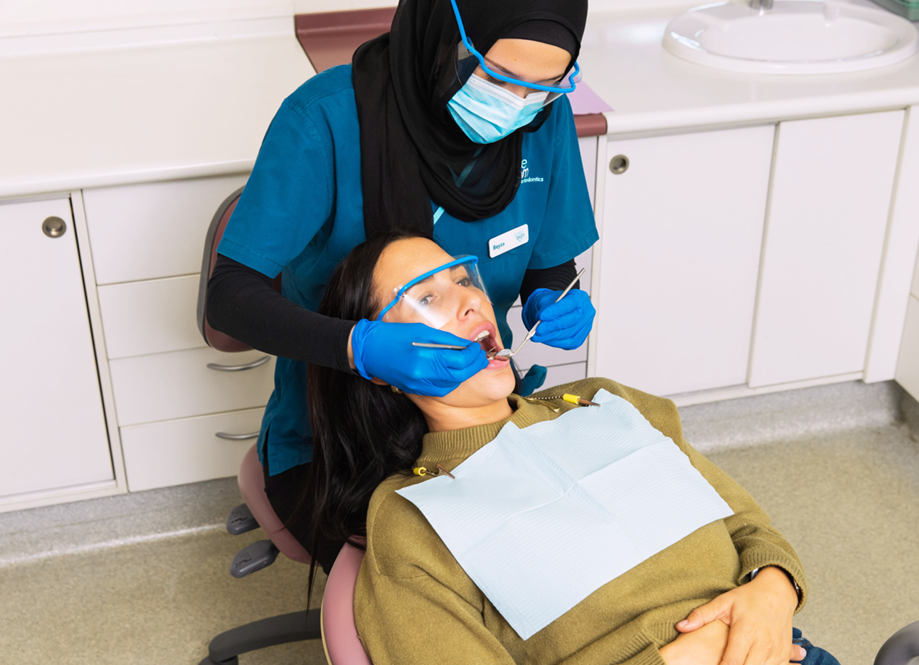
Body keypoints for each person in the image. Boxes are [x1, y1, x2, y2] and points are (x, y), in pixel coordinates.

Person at [299, 232, 842, 665]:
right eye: (427, 298)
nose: (469, 301)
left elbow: (747, 527)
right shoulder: (411, 514)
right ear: (383, 365)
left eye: (465, 281)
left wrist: (772, 592)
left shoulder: (601, 400)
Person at [205, 0, 599, 574]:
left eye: (544, 87)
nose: (517, 105)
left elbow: (544, 260)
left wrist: (556, 295)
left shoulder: (539, 117)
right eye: (498, 77)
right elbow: (230, 296)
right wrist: (357, 347)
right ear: (446, 34)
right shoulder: (327, 119)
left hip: (486, 422)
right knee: (459, 584)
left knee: (568, 554)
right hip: (337, 446)